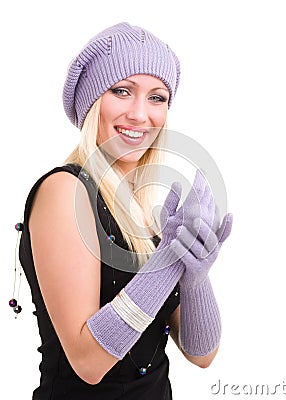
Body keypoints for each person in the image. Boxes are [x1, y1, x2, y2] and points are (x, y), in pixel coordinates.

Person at [15, 22, 233, 400]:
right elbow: (88, 364)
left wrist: (196, 276)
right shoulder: (65, 192)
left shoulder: (146, 212)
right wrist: (167, 263)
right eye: (122, 91)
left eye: (157, 97)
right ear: (92, 103)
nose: (139, 114)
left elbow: (202, 355)